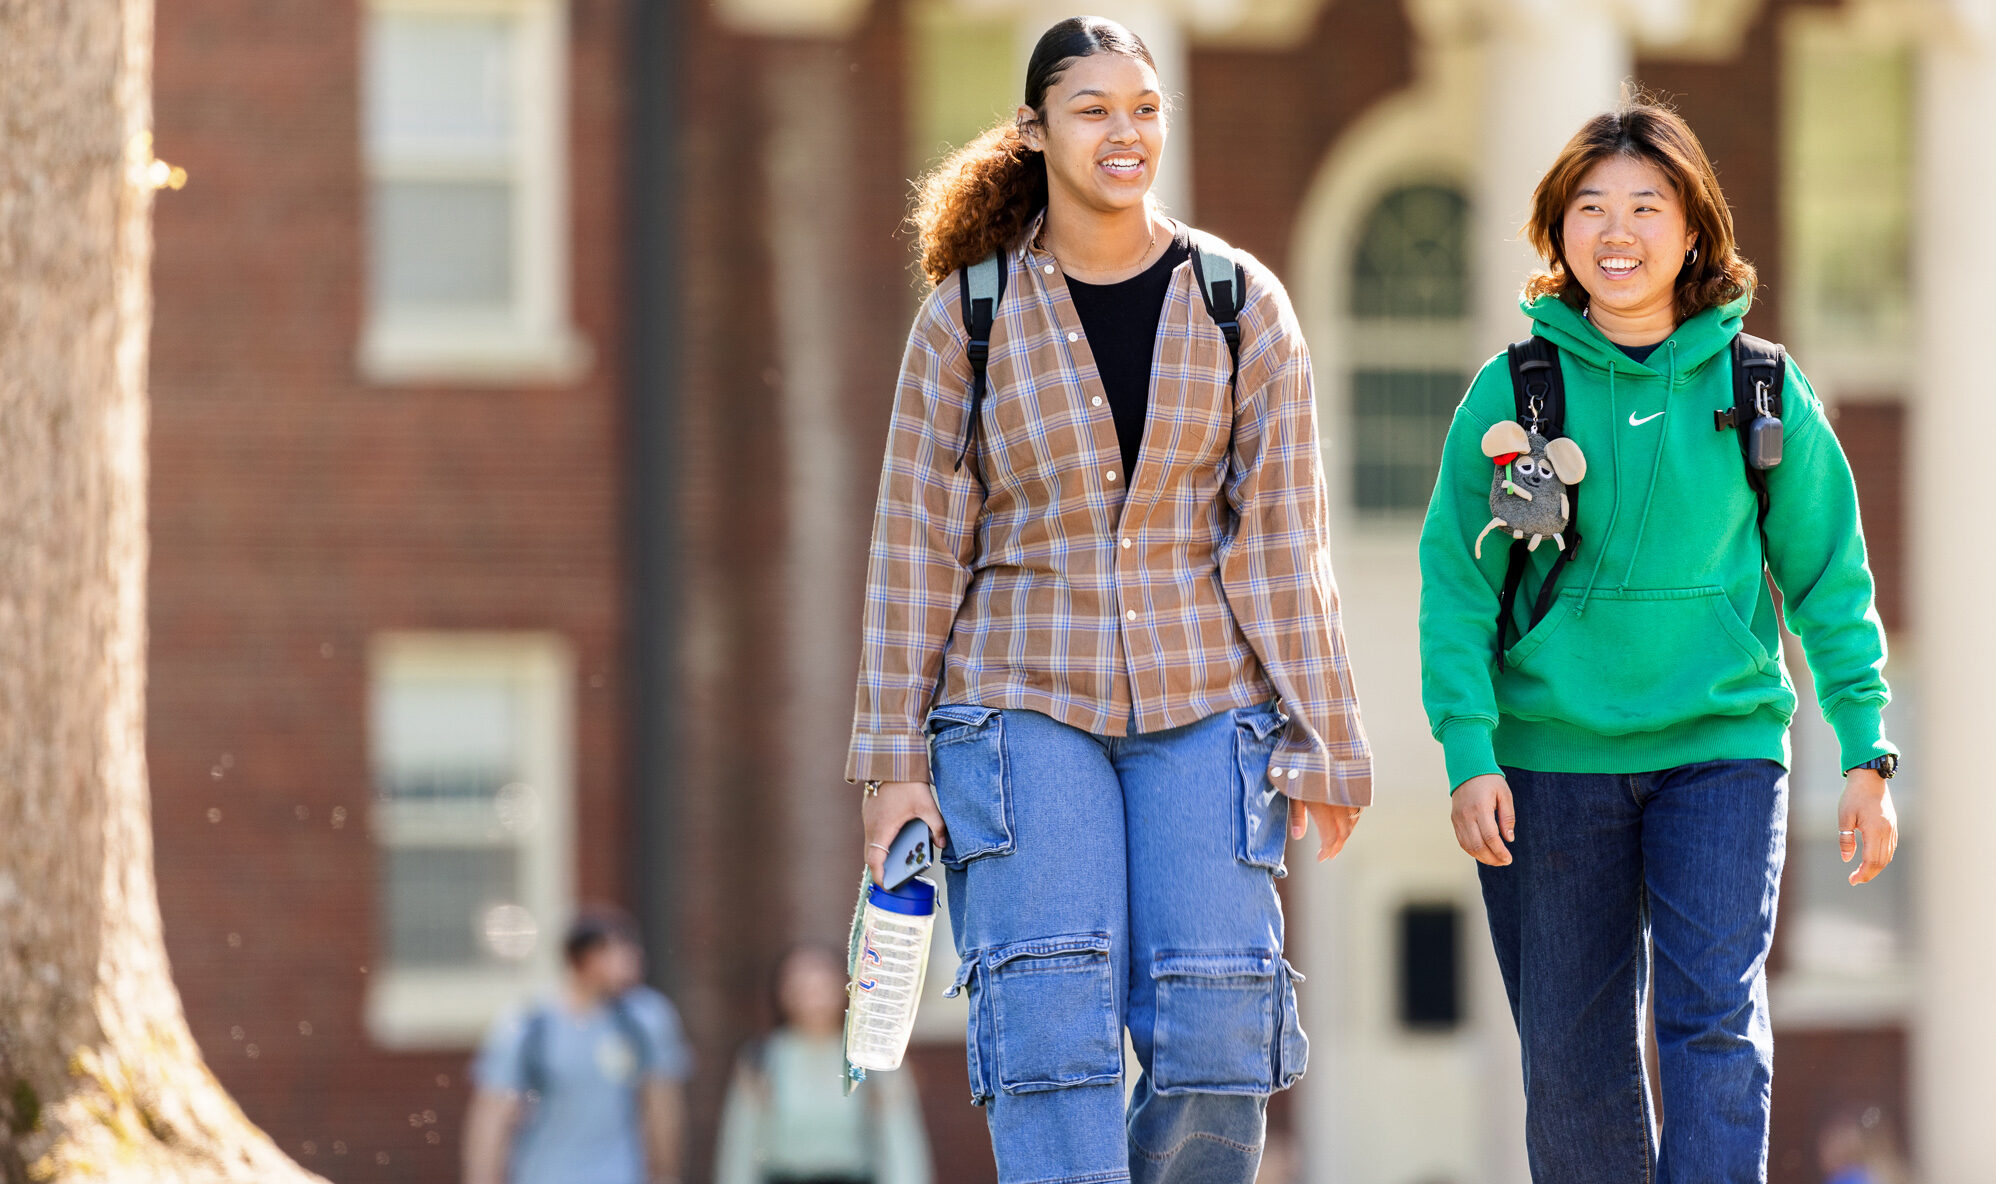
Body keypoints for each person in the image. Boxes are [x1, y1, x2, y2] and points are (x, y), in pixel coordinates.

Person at [846, 15, 1371, 1184]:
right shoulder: (966, 321)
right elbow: (913, 551)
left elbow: (1284, 539)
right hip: (1016, 700)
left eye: (1142, 109)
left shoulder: (1241, 303)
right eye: (1091, 110)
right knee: (1047, 1019)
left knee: (1220, 1030)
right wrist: (894, 762)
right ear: (1034, 131)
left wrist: (1328, 732)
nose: (1122, 133)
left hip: (1202, 701)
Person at [1418, 98, 1900, 1183]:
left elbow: (1828, 579)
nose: (1616, 229)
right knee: (1573, 1058)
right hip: (1548, 761)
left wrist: (1865, 749)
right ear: (1556, 231)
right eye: (1588, 207)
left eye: (1645, 204)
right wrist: (1468, 749)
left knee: (1713, 1022)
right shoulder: (1513, 392)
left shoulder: (1760, 386)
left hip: (1719, 747)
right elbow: (1454, 586)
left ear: (1693, 229)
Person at [463, 907, 692, 1184]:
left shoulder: (644, 1020)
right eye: (619, 950)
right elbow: (491, 1119)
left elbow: (662, 1108)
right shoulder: (528, 1029)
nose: (635, 959)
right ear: (583, 959)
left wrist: (666, 1174)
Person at [715, 944, 933, 1184]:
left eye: (822, 985)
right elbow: (739, 1150)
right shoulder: (761, 1059)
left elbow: (902, 1146)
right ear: (781, 991)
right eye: (801, 986)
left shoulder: (873, 1058)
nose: (812, 996)